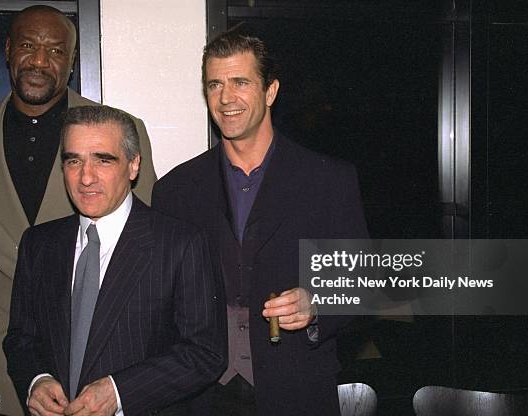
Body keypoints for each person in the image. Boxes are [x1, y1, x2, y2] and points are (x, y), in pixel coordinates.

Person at [0, 6, 156, 415]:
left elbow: (144, 250)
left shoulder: (122, 132)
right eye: (27, 46)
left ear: (72, 62)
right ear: (7, 50)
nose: (40, 61)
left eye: (56, 51)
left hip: (98, 348)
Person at [152, 32, 368, 415]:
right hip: (197, 397)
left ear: (270, 91)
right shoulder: (174, 190)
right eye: (214, 84)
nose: (225, 98)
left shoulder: (328, 180)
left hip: (296, 391)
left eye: (240, 82)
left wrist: (317, 304)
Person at [3, 105, 225, 416]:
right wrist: (36, 382)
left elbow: (205, 353)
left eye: (103, 160)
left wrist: (119, 393)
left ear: (133, 165)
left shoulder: (180, 244)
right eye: (73, 161)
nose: (86, 177)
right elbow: (20, 339)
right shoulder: (38, 244)